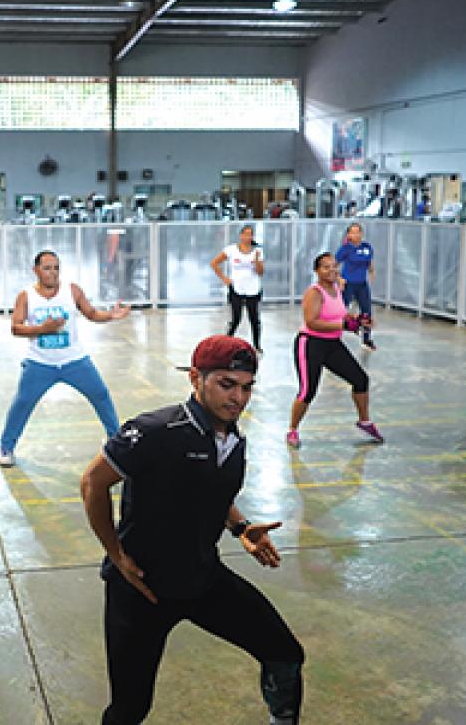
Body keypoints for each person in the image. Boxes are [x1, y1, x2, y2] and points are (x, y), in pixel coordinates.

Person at [80, 335, 304, 725]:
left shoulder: (232, 439)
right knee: (130, 708)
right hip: (141, 590)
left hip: (201, 580)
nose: (238, 398)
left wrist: (240, 526)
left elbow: (207, 488)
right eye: (226, 384)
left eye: (247, 387)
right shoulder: (154, 432)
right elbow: (92, 483)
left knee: (284, 653)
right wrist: (116, 554)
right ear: (196, 379)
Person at [0, 250, 130, 467]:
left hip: (74, 360)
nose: (53, 273)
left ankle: (116, 442)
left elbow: (92, 314)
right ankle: (6, 447)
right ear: (36, 270)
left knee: (101, 396)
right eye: (47, 268)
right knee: (22, 403)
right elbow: (16, 327)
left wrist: (111, 315)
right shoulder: (26, 296)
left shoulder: (72, 290)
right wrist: (43, 329)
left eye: (56, 268)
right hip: (39, 363)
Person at [287, 252, 382, 448]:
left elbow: (339, 315)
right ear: (317, 271)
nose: (331, 270)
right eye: (325, 267)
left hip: (332, 345)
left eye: (333, 266)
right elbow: (312, 322)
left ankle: (364, 421)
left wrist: (357, 321)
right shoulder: (314, 292)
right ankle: (292, 429)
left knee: (360, 379)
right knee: (308, 391)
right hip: (310, 344)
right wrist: (344, 326)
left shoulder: (337, 288)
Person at [209, 224, 264, 352]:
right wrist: (224, 279)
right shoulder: (231, 250)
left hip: (253, 288)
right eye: (245, 234)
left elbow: (260, 272)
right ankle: (225, 342)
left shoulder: (258, 251)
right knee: (236, 319)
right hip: (237, 287)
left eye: (250, 234)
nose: (247, 237)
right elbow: (214, 263)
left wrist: (256, 260)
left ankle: (257, 345)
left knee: (254, 319)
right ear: (240, 236)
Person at [334, 222, 377, 350]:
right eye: (353, 232)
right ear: (348, 234)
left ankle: (366, 338)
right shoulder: (345, 249)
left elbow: (369, 263)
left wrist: (371, 272)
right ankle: (334, 337)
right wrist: (339, 279)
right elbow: (333, 266)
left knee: (366, 312)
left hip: (362, 284)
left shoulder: (367, 247)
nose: (356, 235)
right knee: (341, 311)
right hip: (348, 284)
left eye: (358, 232)